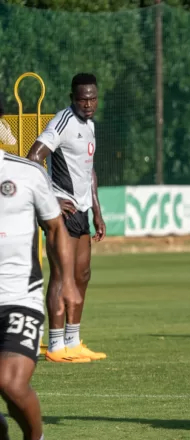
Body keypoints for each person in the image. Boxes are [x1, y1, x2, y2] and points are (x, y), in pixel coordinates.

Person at [0, 149, 82, 440]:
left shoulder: (26, 173)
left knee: (9, 381)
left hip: (20, 296)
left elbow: (56, 227)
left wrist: (67, 281)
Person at [27, 73, 106, 363]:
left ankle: (73, 341)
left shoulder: (90, 126)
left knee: (82, 275)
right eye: (83, 98)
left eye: (93, 97)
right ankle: (56, 345)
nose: (88, 103)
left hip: (82, 210)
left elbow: (90, 171)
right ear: (72, 98)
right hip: (62, 211)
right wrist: (51, 198)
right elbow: (33, 156)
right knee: (61, 275)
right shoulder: (63, 122)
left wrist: (97, 211)